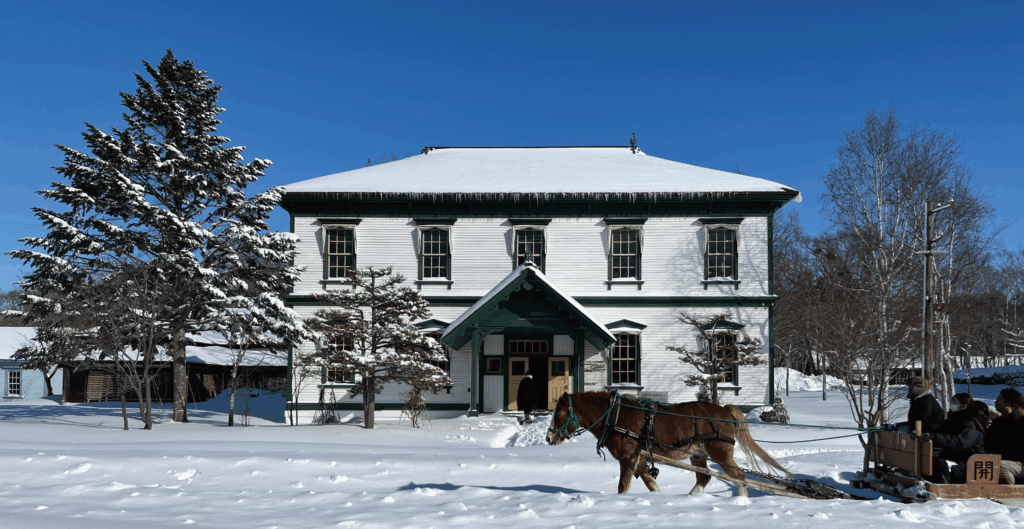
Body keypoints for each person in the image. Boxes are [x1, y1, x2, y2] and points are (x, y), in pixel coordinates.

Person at [921, 400, 989, 484]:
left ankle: (944, 490)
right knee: (931, 462)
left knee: (942, 464)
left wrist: (933, 437)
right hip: (962, 460)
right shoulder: (962, 422)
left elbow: (960, 443)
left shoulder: (973, 426)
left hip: (971, 464)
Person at [986, 394, 1024, 484]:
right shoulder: (1015, 423)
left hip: (1020, 462)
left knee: (1000, 465)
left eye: (1016, 407)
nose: (1013, 410)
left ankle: (1011, 494)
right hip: (1016, 461)